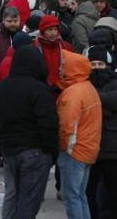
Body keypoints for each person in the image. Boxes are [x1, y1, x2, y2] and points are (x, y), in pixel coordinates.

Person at [0, 45, 59, 219]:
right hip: (35, 151)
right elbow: (49, 124)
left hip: (10, 151)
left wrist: (5, 140)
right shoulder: (40, 90)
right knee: (28, 201)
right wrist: (51, 152)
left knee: (12, 197)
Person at [56, 50, 102, 219]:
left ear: (72, 68)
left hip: (74, 152)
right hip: (88, 149)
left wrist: (65, 149)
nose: (60, 68)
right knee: (81, 195)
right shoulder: (88, 88)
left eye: (63, 65)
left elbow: (67, 126)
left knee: (72, 197)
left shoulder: (73, 93)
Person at [84, 46, 117, 219]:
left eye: (100, 63)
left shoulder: (114, 82)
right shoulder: (83, 83)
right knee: (90, 191)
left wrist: (94, 101)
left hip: (111, 148)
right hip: (89, 147)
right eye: (93, 64)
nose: (97, 67)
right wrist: (106, 107)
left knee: (113, 192)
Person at [35, 15, 74, 93]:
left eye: (56, 29)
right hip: (42, 91)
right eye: (49, 30)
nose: (53, 33)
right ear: (43, 30)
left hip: (63, 90)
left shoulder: (66, 46)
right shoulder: (35, 47)